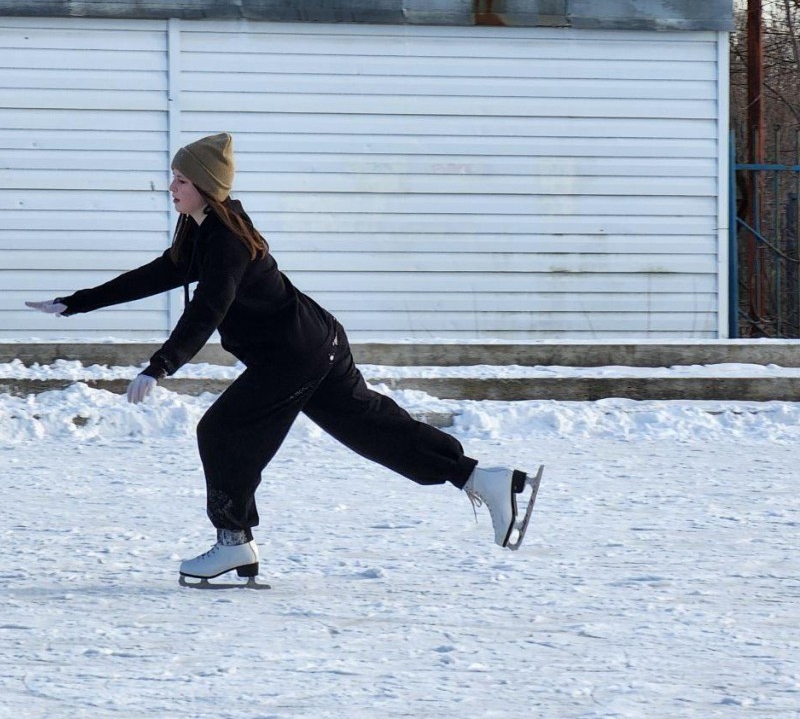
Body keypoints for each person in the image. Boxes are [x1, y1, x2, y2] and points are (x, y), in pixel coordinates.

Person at [27, 133, 542, 582]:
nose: (171, 188)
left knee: (222, 431)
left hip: (293, 354)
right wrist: (78, 301)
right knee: (372, 428)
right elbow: (159, 273)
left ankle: (233, 543)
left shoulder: (226, 241)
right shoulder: (205, 229)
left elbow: (210, 307)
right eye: (173, 178)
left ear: (204, 185)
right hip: (315, 342)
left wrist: (162, 365)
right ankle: (480, 478)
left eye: (180, 180)